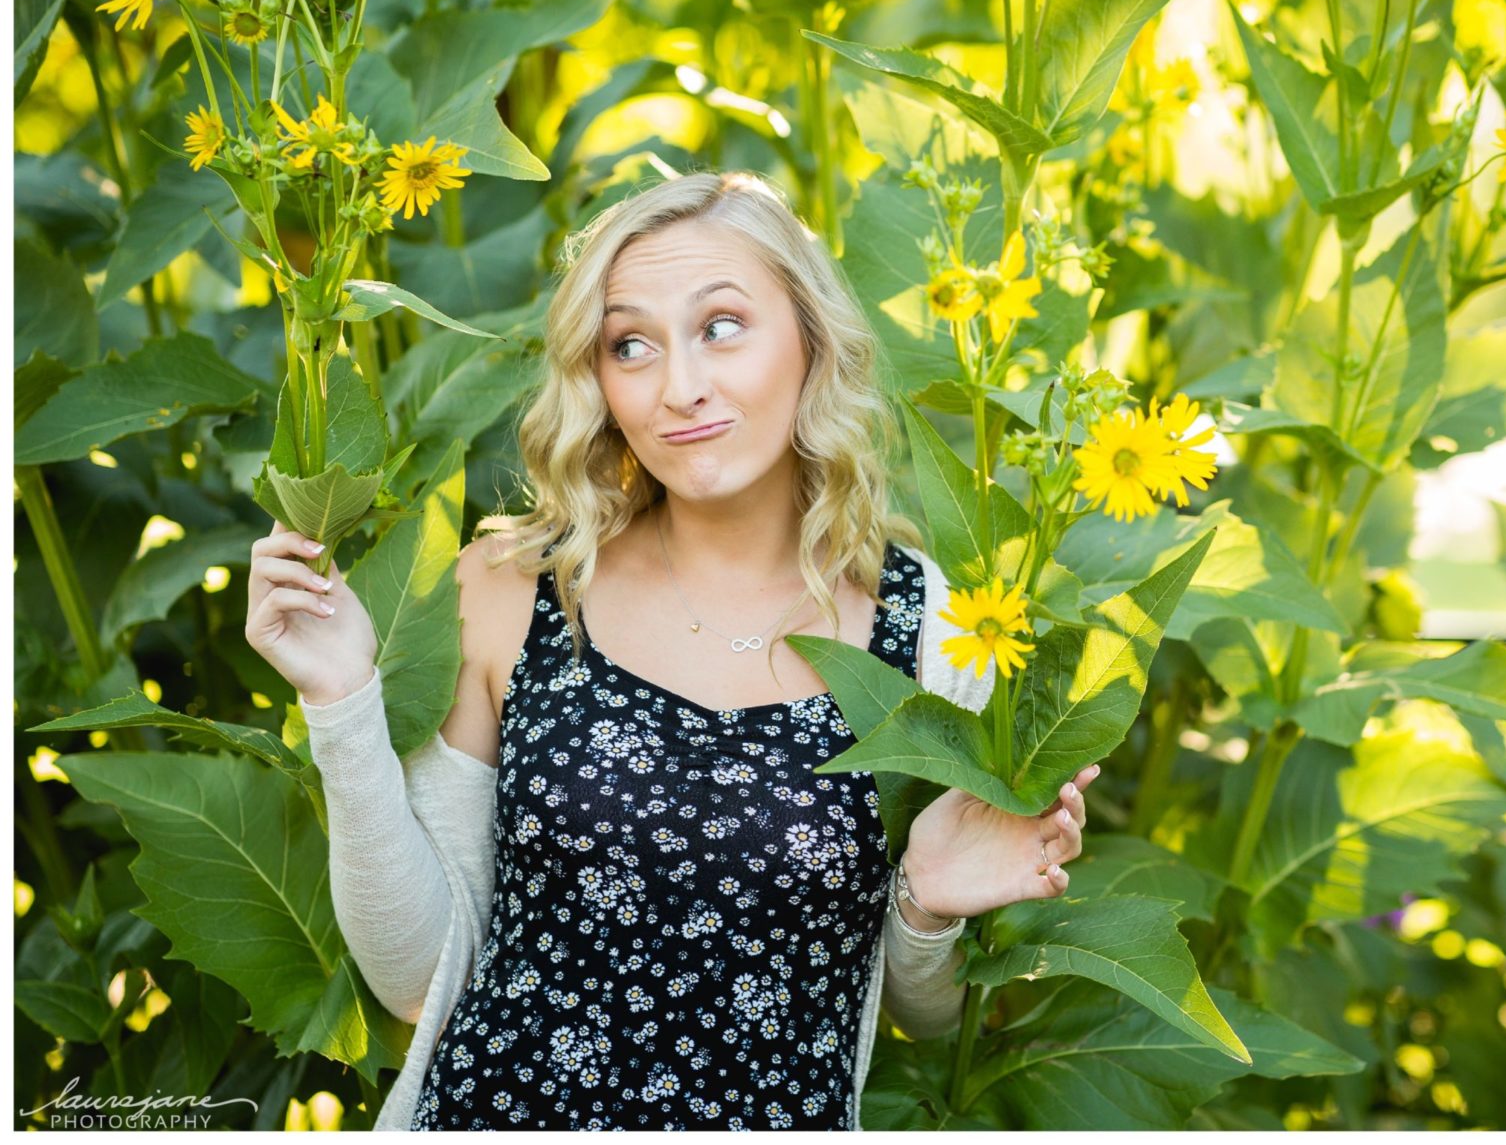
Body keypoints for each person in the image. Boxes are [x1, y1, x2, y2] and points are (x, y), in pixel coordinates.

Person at [244, 170, 1099, 1130]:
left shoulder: (934, 632)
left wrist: (926, 908)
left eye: (722, 325)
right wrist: (343, 702)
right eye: (631, 344)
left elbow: (922, 1013)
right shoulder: (515, 590)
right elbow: (414, 976)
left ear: (812, 339)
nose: (680, 386)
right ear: (597, 379)